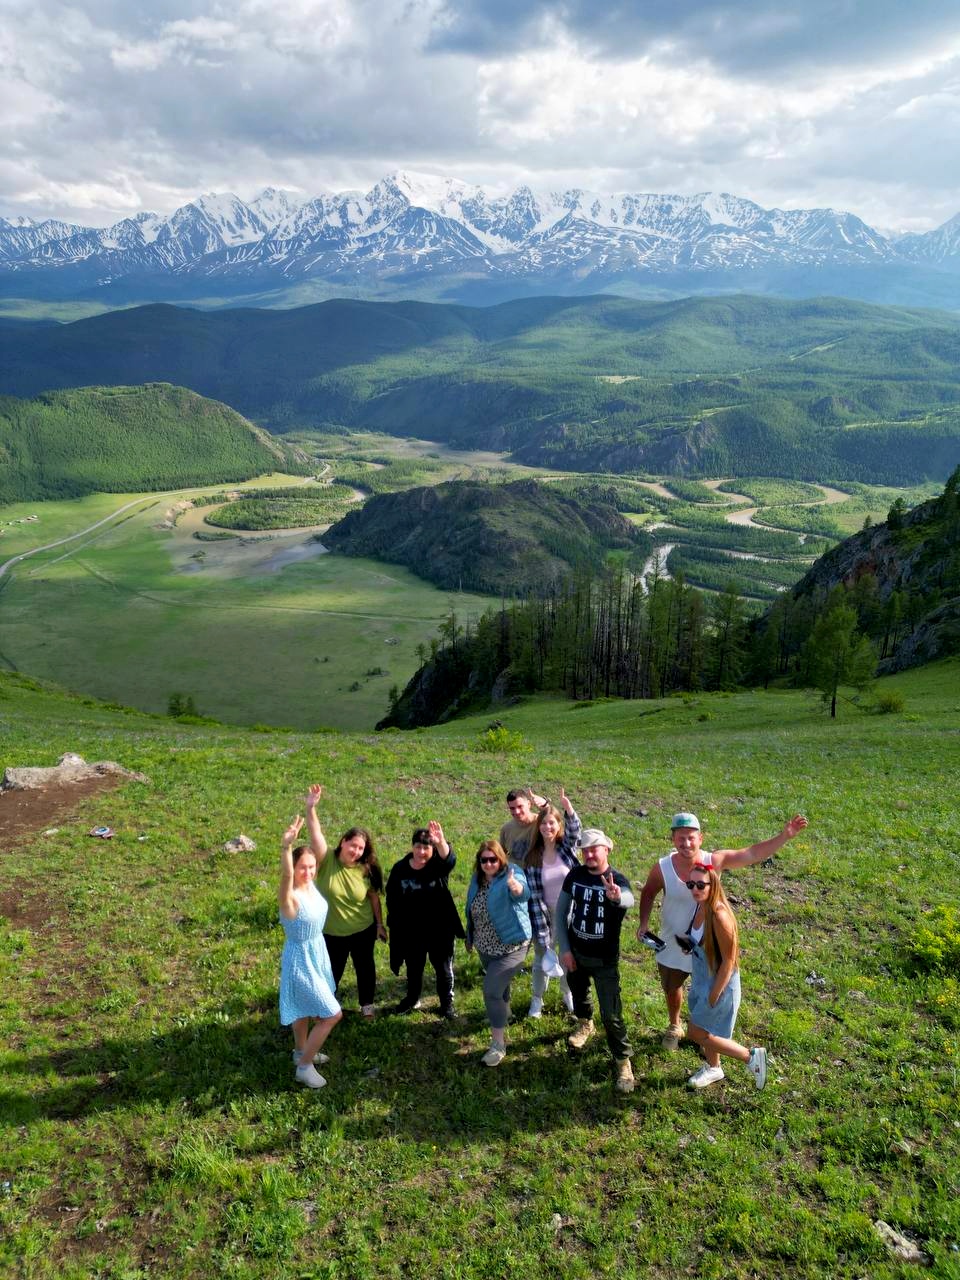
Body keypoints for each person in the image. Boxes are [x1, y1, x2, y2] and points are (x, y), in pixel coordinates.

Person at [637, 812, 808, 1049]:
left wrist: (784, 836)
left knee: (708, 988)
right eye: (680, 838)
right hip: (674, 941)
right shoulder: (662, 867)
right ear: (672, 839)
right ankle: (675, 1025)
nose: (686, 843)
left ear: (700, 838)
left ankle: (705, 1034)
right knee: (672, 986)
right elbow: (648, 893)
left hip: (708, 945)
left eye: (691, 837)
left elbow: (751, 853)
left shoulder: (714, 861)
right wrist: (643, 924)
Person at [555, 829, 636, 1094]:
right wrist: (565, 949)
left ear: (607, 850)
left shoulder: (617, 880)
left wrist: (616, 897)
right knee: (579, 992)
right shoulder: (575, 875)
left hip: (604, 960)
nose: (589, 854)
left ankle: (623, 1061)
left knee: (611, 1014)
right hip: (575, 953)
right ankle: (584, 1023)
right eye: (585, 850)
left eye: (594, 849)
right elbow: (561, 913)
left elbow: (629, 899)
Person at [681, 863, 767, 1090]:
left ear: (713, 885)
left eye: (701, 885)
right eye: (691, 884)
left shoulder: (720, 916)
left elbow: (729, 960)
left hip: (719, 983)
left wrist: (714, 994)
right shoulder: (700, 906)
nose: (695, 889)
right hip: (702, 978)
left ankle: (750, 1057)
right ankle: (714, 1068)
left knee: (696, 1032)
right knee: (708, 1030)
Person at [304, 784, 387, 1018]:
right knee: (331, 971)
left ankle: (367, 1006)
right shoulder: (325, 859)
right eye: (353, 845)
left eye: (361, 848)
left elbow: (373, 898)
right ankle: (326, 1007)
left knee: (365, 968)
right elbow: (316, 834)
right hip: (331, 932)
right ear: (343, 842)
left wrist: (379, 924)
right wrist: (311, 808)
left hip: (362, 929)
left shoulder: (366, 868)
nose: (356, 851)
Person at [278, 814, 342, 1089]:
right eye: (302, 867)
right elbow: (286, 876)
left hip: (317, 953)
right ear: (294, 868)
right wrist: (286, 847)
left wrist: (312, 809)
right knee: (332, 1014)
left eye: (312, 867)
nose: (308, 872)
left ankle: (300, 1051)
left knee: (303, 1010)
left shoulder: (311, 885)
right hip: (300, 960)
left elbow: (319, 845)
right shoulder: (290, 898)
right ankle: (304, 1067)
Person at [386, 821, 465, 1018]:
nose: (421, 852)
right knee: (414, 969)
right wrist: (394, 926)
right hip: (412, 932)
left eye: (426, 848)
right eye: (418, 847)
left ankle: (446, 1003)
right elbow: (392, 899)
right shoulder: (400, 869)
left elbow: (450, 860)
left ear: (432, 849)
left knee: (443, 969)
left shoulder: (438, 866)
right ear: (412, 846)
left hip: (440, 930)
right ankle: (412, 999)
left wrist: (441, 842)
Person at [464, 839, 531, 1067]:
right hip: (485, 947)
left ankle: (498, 1045)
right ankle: (505, 1013)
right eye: (484, 860)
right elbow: (471, 909)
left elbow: (523, 893)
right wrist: (470, 937)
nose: (489, 864)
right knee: (500, 988)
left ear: (501, 859)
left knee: (491, 992)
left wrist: (516, 888)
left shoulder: (512, 873)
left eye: (493, 859)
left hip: (512, 947)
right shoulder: (477, 879)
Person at [521, 786, 581, 1017]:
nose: (548, 827)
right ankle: (537, 1000)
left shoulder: (566, 848)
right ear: (539, 827)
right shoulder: (532, 856)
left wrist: (568, 809)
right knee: (541, 959)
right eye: (544, 823)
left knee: (568, 958)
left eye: (552, 823)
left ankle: (568, 994)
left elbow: (575, 831)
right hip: (543, 915)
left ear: (558, 825)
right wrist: (541, 927)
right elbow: (534, 897)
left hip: (570, 913)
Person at [499, 786, 548, 859]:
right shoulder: (506, 829)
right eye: (512, 808)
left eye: (520, 806)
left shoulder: (541, 823)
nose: (516, 812)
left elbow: (557, 831)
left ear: (529, 804)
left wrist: (546, 806)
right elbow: (501, 855)